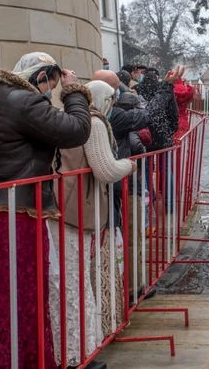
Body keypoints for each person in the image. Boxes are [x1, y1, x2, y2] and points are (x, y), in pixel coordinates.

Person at [0, 52, 92, 369]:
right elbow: (76, 131)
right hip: (13, 216)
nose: (50, 93)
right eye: (51, 85)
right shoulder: (26, 102)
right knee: (19, 298)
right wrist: (74, 92)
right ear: (41, 77)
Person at [49, 80, 136, 368]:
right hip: (77, 208)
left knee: (66, 280)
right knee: (75, 281)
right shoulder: (94, 122)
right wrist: (130, 165)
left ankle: (70, 350)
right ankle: (79, 352)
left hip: (62, 204)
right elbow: (106, 168)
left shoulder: (67, 119)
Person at [173, 77, 196, 143]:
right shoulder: (186, 90)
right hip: (183, 120)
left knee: (172, 144)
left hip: (171, 121)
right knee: (182, 142)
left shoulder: (170, 90)